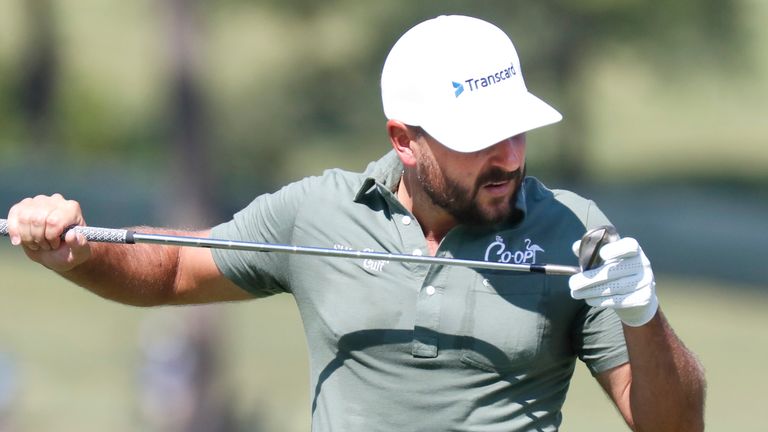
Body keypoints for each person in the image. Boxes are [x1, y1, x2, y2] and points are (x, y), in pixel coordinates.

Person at [4, 15, 704, 432]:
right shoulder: (320, 210)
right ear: (405, 140)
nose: (508, 157)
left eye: (516, 132)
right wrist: (79, 254)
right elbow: (177, 270)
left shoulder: (574, 231)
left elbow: (673, 426)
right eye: (478, 138)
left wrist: (643, 314)